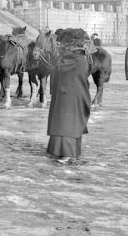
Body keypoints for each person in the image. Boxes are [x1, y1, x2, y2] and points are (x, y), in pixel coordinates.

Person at [47, 28, 92, 164]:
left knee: (67, 125)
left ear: (70, 44)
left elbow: (62, 70)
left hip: (71, 97)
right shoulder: (74, 58)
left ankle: (67, 154)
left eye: (62, 44)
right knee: (63, 123)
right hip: (66, 95)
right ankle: (63, 152)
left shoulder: (76, 59)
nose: (59, 46)